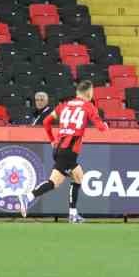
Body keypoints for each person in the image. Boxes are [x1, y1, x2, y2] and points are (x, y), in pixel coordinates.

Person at [20, 79, 107, 222]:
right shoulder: (88, 106)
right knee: (60, 181)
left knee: (75, 176)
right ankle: (28, 197)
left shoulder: (64, 106)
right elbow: (101, 128)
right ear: (89, 92)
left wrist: (52, 140)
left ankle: (72, 213)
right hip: (69, 151)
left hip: (59, 149)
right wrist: (105, 125)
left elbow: (46, 121)